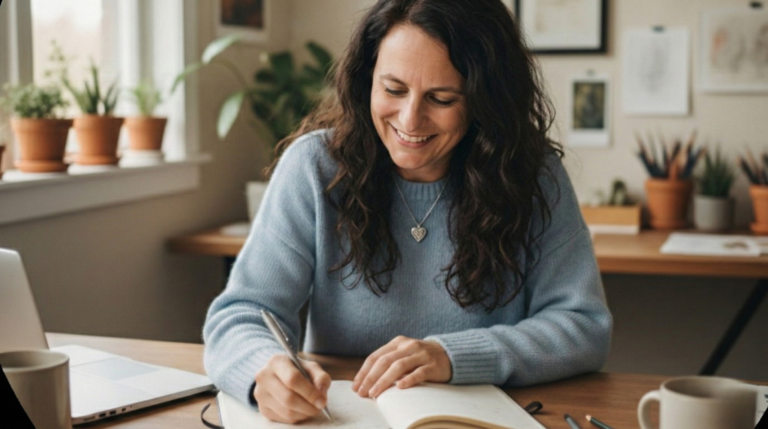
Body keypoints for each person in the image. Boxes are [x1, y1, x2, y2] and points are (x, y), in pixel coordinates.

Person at [203, 0, 612, 424]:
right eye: (393, 90)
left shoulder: (532, 174)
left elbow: (582, 327)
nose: (410, 119)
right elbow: (241, 315)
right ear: (367, 82)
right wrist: (262, 372)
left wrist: (453, 356)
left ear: (485, 101)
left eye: (441, 97)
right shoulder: (314, 168)